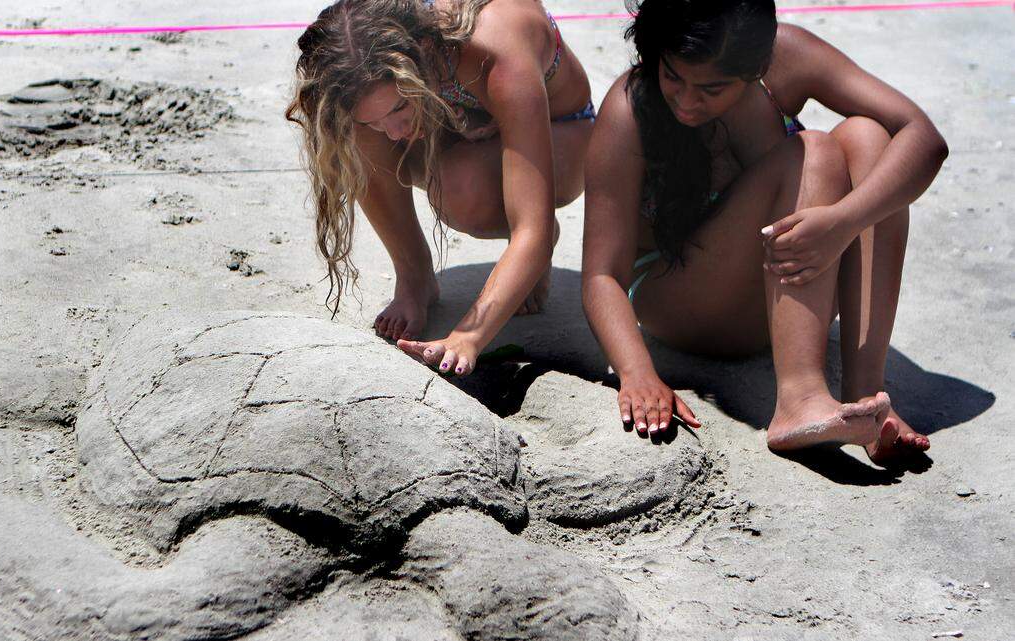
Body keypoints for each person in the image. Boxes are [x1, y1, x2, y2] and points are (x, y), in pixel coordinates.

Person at [581, 0, 946, 464]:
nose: (688, 101)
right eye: (673, 75)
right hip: (680, 299)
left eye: (712, 88)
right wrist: (637, 373)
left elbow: (923, 137)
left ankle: (868, 402)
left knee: (869, 137)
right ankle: (799, 398)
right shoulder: (630, 105)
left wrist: (845, 220)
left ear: (757, 67)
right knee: (813, 151)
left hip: (781, 297)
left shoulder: (787, 57)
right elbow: (600, 275)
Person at [286, 0, 594, 376]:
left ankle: (526, 229)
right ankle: (415, 276)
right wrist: (380, 118)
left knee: (462, 193)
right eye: (380, 121)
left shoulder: (494, 48)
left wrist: (467, 336)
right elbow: (375, 114)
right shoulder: (376, 37)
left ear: (427, 49)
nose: (396, 134)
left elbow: (534, 232)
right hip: (461, 123)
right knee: (352, 129)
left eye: (399, 107)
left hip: (564, 133)